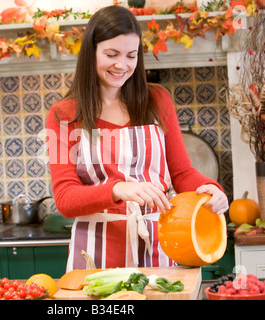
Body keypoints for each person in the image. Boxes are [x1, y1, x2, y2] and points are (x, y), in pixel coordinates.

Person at [46, 5, 228, 271]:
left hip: (158, 243)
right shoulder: (63, 115)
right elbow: (65, 198)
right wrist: (119, 189)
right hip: (96, 255)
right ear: (91, 53)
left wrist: (211, 189)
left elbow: (182, 173)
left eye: (131, 55)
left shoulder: (157, 101)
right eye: (111, 54)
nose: (122, 65)